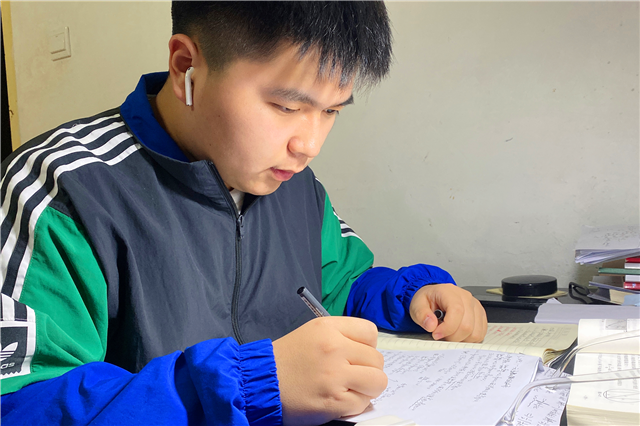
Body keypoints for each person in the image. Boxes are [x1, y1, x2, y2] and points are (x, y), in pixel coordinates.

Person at [0, 1, 487, 424]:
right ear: (186, 67)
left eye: (332, 111)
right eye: (285, 106)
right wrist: (248, 386)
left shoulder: (297, 188)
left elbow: (341, 287)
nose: (309, 145)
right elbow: (20, 403)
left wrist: (409, 296)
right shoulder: (61, 191)